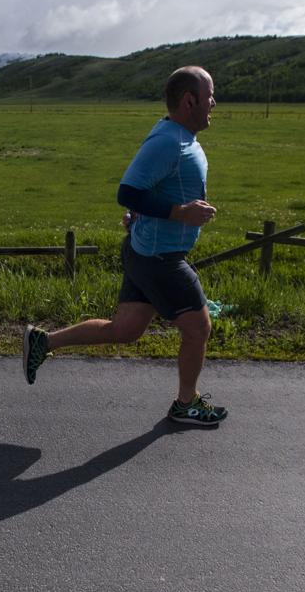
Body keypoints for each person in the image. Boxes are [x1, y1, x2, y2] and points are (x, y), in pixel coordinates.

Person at [21, 66, 228, 426]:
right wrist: (179, 213)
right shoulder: (169, 141)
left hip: (146, 251)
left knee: (125, 330)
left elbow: (146, 189)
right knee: (199, 328)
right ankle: (186, 403)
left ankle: (44, 342)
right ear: (189, 100)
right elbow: (128, 191)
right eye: (209, 95)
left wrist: (144, 214)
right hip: (159, 258)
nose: (215, 102)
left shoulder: (178, 137)